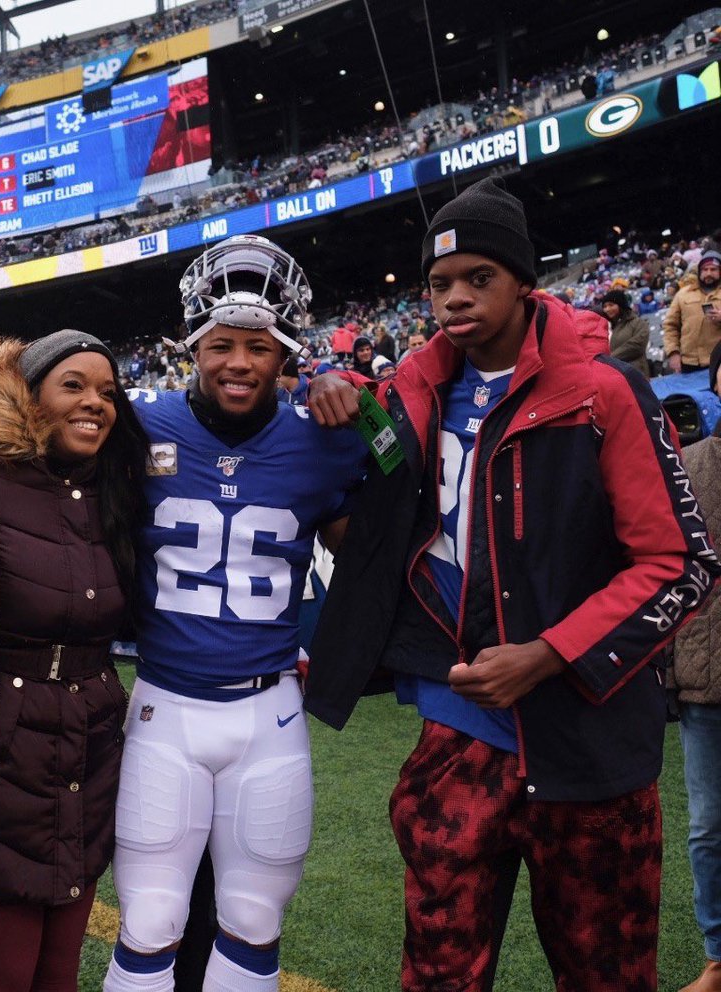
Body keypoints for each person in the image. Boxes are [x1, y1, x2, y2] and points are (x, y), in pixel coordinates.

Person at [305, 177, 720, 992]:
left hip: (589, 748)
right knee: (437, 979)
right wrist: (329, 381)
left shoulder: (605, 391)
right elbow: (370, 497)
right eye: (439, 283)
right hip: (455, 742)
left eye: (479, 277)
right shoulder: (411, 394)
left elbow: (680, 563)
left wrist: (548, 654)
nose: (455, 298)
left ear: (524, 280)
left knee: (607, 980)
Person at [104, 234, 366, 992]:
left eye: (260, 346)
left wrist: (358, 389)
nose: (240, 363)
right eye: (221, 344)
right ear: (193, 345)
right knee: (150, 921)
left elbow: (393, 492)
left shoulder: (325, 439)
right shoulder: (139, 424)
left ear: (287, 351)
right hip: (164, 704)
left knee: (253, 921)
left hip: (268, 711)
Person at [0, 330, 148, 992]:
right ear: (28, 396)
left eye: (108, 392)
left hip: (88, 753)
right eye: (73, 386)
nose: (95, 403)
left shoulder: (112, 484)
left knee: (59, 977)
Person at [672, 421, 721, 992]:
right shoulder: (685, 462)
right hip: (704, 671)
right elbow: (661, 564)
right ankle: (718, 958)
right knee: (708, 825)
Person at [664, 249, 721, 373]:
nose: (708, 273)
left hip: (719, 362)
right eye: (705, 269)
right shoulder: (683, 294)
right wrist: (673, 352)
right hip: (690, 363)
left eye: (713, 269)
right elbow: (670, 325)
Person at [600, 288, 650, 377]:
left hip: (635, 374)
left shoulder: (637, 323)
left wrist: (609, 359)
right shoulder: (606, 326)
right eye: (605, 306)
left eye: (611, 305)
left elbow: (636, 346)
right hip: (615, 375)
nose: (607, 309)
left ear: (621, 305)